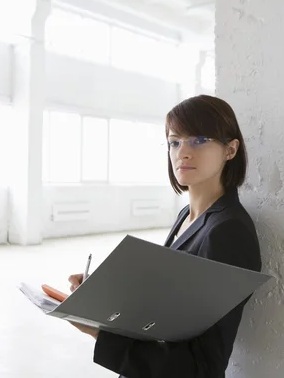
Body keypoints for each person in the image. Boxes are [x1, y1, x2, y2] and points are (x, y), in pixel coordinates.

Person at [68, 95, 263, 378]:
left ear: (230, 150)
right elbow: (167, 309)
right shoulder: (186, 215)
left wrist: (102, 333)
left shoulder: (228, 231)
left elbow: (203, 366)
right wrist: (104, 294)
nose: (183, 152)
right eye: (174, 141)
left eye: (199, 140)